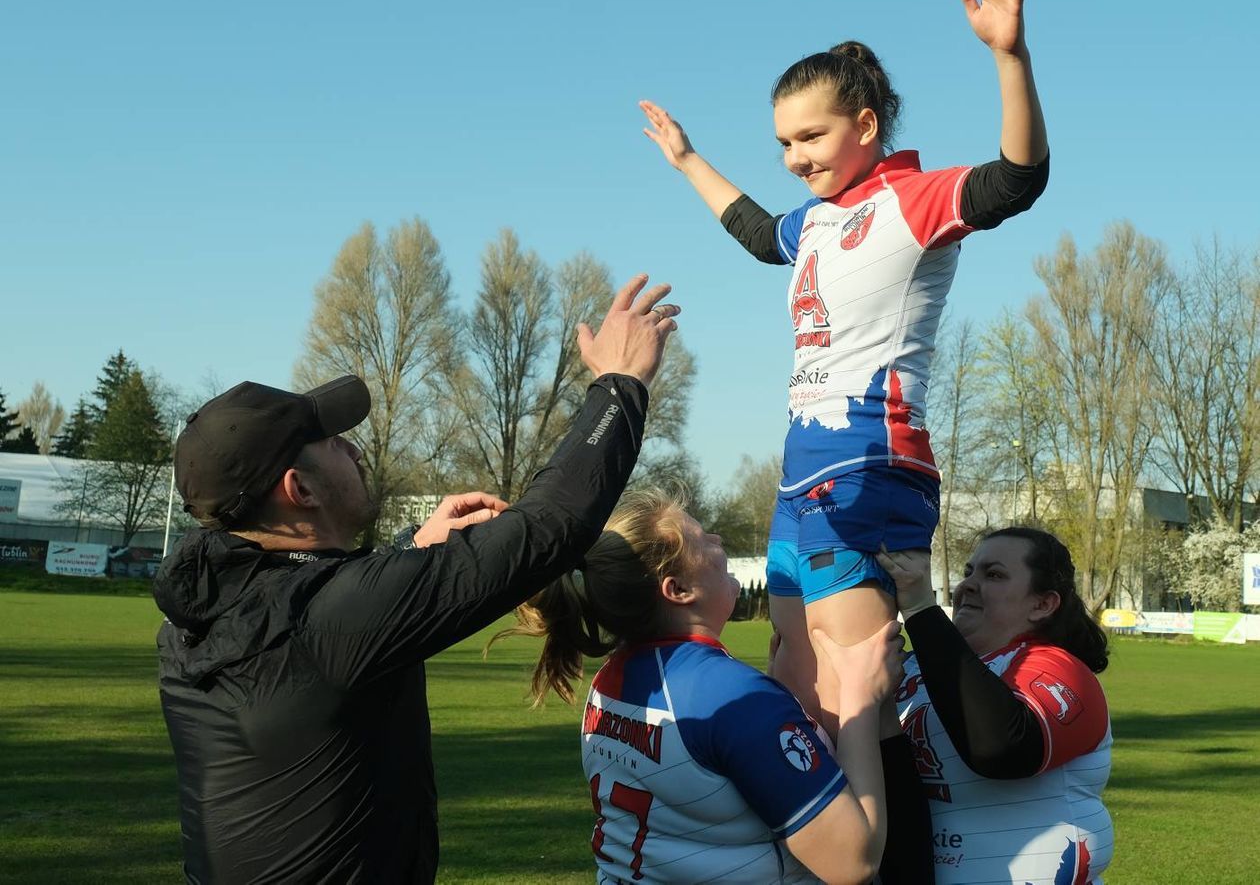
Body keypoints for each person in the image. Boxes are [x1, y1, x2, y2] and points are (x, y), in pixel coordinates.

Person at [640, 0, 1048, 878]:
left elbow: (1021, 176)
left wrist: (1009, 56)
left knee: (855, 685)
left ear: (866, 125)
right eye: (783, 143)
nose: (795, 158)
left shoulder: (914, 201)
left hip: (873, 465)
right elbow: (755, 232)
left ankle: (887, 863)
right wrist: (687, 159)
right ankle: (818, 850)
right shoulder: (815, 221)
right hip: (798, 470)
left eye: (811, 136)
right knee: (794, 670)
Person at [152, 275, 680, 885]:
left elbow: (313, 609)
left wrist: (409, 553)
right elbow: (550, 526)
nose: (352, 449)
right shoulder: (330, 618)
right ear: (299, 491)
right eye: (330, 442)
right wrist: (621, 384)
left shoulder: (204, 608)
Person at [497, 488, 905, 885]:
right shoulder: (731, 695)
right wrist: (860, 698)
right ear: (678, 590)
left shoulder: (610, 680)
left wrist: (775, 701)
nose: (718, 539)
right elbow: (853, 860)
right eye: (702, 538)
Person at [871, 529, 1114, 884]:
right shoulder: (911, 670)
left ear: (1043, 604)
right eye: (969, 571)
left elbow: (1002, 748)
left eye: (994, 574)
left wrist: (923, 609)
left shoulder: (1058, 668)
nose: (968, 584)